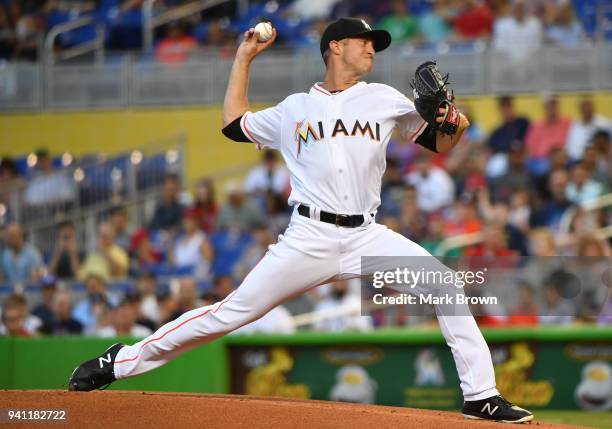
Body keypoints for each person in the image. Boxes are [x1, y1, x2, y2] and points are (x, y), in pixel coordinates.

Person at [68, 17, 533, 423]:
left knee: (444, 286)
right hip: (308, 236)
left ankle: (481, 397)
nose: (372, 48)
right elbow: (234, 125)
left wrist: (455, 119)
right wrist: (243, 57)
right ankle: (120, 362)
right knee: (231, 313)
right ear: (335, 47)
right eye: (365, 42)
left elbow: (444, 141)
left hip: (366, 235)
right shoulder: (295, 108)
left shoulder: (383, 99)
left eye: (375, 44)